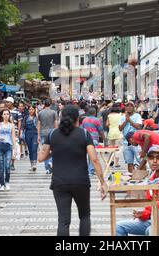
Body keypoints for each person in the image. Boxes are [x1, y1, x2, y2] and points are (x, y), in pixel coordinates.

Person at [38, 105, 108, 236]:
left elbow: (41, 158)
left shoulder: (53, 134)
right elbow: (94, 159)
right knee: (84, 216)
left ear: (61, 117)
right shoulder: (84, 134)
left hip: (59, 182)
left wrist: (56, 150)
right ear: (78, 119)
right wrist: (102, 182)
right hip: (80, 181)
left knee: (63, 220)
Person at [0, 109, 17, 191]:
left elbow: (13, 137)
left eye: (7, 114)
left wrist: (15, 148)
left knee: (7, 166)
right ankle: (2, 184)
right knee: (1, 167)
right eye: (4, 114)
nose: (6, 116)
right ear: (2, 115)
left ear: (9, 115)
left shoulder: (12, 125)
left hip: (8, 146)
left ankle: (7, 182)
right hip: (0, 146)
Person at [119, 101, 143, 173]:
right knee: (129, 162)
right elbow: (120, 128)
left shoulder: (137, 116)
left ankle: (143, 177)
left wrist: (129, 120)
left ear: (134, 107)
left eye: (131, 106)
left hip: (136, 143)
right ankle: (131, 177)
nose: (129, 107)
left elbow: (138, 127)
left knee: (141, 161)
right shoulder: (123, 117)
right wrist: (126, 121)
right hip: (126, 143)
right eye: (127, 106)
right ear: (125, 107)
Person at [81, 107, 105, 176]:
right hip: (94, 139)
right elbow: (101, 130)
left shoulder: (84, 120)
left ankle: (88, 169)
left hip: (85, 138)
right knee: (93, 155)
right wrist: (104, 138)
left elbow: (82, 129)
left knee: (87, 155)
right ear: (95, 113)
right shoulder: (96, 120)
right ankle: (91, 170)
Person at [38, 99, 58, 174]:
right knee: (53, 150)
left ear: (44, 104)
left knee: (44, 151)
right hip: (52, 133)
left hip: (43, 133)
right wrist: (57, 132)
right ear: (50, 104)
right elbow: (55, 122)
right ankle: (51, 162)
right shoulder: (53, 112)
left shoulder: (40, 113)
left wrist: (38, 135)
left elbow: (39, 124)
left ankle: (47, 168)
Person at [22, 105, 39, 171]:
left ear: (35, 110)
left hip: (35, 134)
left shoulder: (36, 117)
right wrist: (21, 133)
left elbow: (39, 122)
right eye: (30, 109)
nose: (31, 111)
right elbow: (23, 126)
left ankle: (34, 164)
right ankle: (31, 164)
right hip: (28, 134)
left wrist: (37, 113)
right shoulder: (26, 117)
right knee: (30, 149)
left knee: (34, 149)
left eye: (32, 109)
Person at [5, 97, 19, 171]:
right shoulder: (5, 111)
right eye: (6, 102)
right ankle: (7, 162)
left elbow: (19, 121)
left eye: (8, 102)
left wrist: (19, 131)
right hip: (5, 131)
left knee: (14, 146)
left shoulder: (17, 111)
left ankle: (12, 163)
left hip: (15, 131)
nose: (7, 103)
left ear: (12, 103)